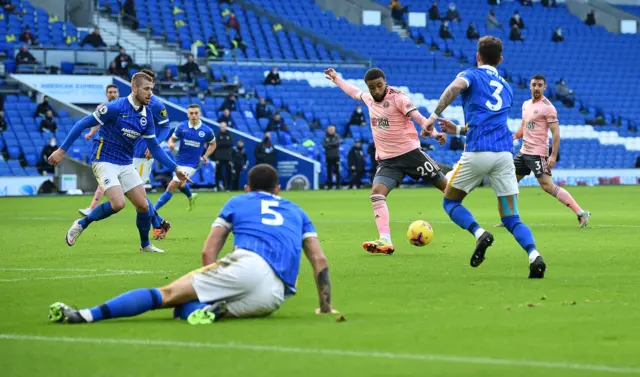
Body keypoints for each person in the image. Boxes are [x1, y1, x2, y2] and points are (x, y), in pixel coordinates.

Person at [48, 164, 337, 325]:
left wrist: (209, 277)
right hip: (274, 295)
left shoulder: (238, 200)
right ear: (278, 190)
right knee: (188, 311)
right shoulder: (296, 210)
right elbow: (319, 261)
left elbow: (208, 249)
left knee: (168, 295)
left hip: (247, 265)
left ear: (248, 188)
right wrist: (325, 308)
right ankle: (212, 309)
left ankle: (84, 315)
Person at [426, 36, 546, 278]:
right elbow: (489, 121)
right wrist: (457, 129)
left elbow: (455, 88)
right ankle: (534, 255)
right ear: (500, 60)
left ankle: (480, 233)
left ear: (477, 56)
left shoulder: (471, 74)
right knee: (511, 217)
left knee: (450, 202)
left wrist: (433, 116)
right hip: (504, 155)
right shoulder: (508, 88)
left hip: (477, 152)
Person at [47, 71, 190, 253]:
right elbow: (82, 123)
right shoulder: (115, 107)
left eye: (152, 90)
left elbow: (154, 147)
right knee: (118, 204)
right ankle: (82, 223)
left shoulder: (147, 116)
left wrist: (175, 168)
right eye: (146, 89)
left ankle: (145, 245)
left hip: (125, 162)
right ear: (134, 88)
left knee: (144, 205)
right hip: (104, 160)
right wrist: (61, 150)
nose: (150, 94)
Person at [324, 67, 447, 255]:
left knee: (449, 190)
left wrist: (435, 132)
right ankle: (385, 240)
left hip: (410, 154)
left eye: (379, 86)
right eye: (371, 87)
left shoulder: (398, 98)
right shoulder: (369, 99)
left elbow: (418, 117)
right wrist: (336, 79)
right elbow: (353, 92)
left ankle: (475, 226)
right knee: (376, 193)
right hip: (388, 161)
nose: (375, 91)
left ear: (385, 82)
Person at [509, 74, 589, 226]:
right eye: (534, 85)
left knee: (547, 186)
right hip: (524, 152)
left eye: (540, 85)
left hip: (538, 154)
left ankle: (580, 212)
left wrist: (553, 156)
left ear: (545, 87)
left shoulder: (548, 108)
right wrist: (513, 137)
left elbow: (556, 132)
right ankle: (511, 218)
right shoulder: (526, 104)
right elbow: (523, 127)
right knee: (509, 182)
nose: (536, 88)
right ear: (530, 86)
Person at [154, 104, 216, 213]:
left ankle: (152, 211)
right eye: (191, 113)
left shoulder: (207, 131)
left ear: (200, 114)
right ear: (187, 114)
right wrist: (171, 144)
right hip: (179, 161)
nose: (194, 115)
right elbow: (171, 139)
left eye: (196, 113)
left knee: (172, 185)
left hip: (193, 163)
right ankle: (191, 196)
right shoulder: (182, 126)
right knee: (181, 184)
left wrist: (205, 156)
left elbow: (213, 144)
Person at [78, 84, 120, 216]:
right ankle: (93, 208)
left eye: (114, 92)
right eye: (110, 92)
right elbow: (97, 122)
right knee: (104, 180)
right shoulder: (102, 108)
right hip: (108, 147)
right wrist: (90, 133)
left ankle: (97, 207)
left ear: (118, 93)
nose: (112, 94)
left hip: (123, 148)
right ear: (106, 94)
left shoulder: (124, 106)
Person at [214, 122, 234, 191]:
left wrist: (222, 143)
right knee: (218, 172)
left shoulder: (230, 135)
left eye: (223, 127)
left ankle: (228, 187)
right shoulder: (217, 135)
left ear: (226, 127)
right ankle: (217, 186)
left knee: (229, 172)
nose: (222, 128)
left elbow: (230, 143)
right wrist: (224, 143)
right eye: (221, 127)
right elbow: (216, 144)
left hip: (228, 157)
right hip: (219, 157)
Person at [323, 125, 341, 189]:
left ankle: (338, 185)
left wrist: (329, 144)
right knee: (329, 171)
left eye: (332, 129)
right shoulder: (325, 137)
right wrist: (332, 145)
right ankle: (329, 186)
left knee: (337, 171)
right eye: (330, 129)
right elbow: (324, 145)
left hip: (336, 156)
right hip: (328, 156)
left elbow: (337, 143)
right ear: (328, 130)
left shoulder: (337, 136)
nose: (331, 131)